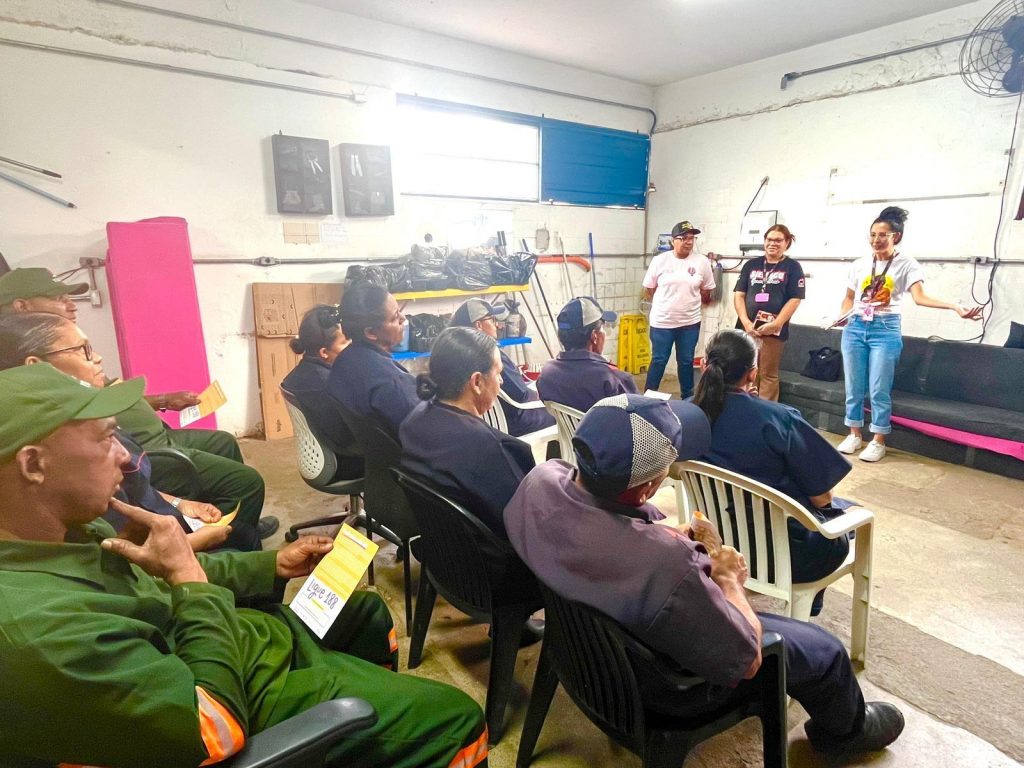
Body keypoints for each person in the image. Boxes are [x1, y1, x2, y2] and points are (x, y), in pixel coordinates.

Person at [0, 363, 490, 768]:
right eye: (106, 439)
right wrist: (191, 580)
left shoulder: (69, 529)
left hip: (230, 641)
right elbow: (208, 728)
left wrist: (270, 564)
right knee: (456, 719)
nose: (128, 459)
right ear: (33, 465)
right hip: (233, 689)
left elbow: (156, 577)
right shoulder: (36, 631)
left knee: (367, 614)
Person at [504, 394, 905, 757]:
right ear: (648, 488)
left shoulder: (541, 481)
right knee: (824, 651)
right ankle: (846, 733)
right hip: (662, 689)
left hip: (579, 652)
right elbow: (747, 660)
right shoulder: (670, 566)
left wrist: (661, 535)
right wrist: (729, 580)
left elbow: (605, 524)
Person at [0, 312, 272, 551]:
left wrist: (180, 504)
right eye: (83, 350)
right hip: (157, 547)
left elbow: (136, 489)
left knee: (243, 534)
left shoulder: (82, 420)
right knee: (245, 535)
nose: (97, 357)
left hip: (159, 519)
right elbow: (119, 556)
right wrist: (184, 553)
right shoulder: (66, 443)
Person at [693, 329, 852, 615]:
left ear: (705, 366)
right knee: (840, 521)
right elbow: (822, 497)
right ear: (752, 374)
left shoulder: (688, 414)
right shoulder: (780, 419)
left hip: (715, 541)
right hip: (784, 554)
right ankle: (809, 604)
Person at [835, 207, 982, 462]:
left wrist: (954, 306)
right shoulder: (859, 264)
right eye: (872, 234)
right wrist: (843, 315)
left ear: (896, 236)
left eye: (882, 235)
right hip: (855, 326)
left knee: (879, 387)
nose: (876, 240)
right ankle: (854, 434)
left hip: (885, 329)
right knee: (854, 386)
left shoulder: (907, 264)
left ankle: (878, 439)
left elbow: (920, 297)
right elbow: (849, 297)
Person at [0, 266, 202, 413]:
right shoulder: (20, 363)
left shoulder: (65, 343)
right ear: (22, 306)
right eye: (59, 299)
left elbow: (107, 392)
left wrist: (164, 401)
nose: (72, 306)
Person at [400, 326, 535, 538]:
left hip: (444, 548)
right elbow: (526, 522)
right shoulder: (488, 448)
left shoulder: (413, 421)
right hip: (494, 556)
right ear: (477, 382)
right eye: (498, 373)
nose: (501, 381)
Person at [449, 298, 555, 437]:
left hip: (486, 422)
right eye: (492, 320)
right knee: (560, 414)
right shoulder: (493, 356)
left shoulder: (459, 356)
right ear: (479, 325)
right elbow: (522, 395)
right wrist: (542, 391)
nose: (498, 325)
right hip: (516, 421)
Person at [281, 304, 362, 479]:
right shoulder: (327, 385)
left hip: (323, 453)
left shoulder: (302, 372)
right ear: (324, 352)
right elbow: (350, 435)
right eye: (345, 343)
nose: (352, 346)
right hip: (341, 462)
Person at [329, 282, 418, 437]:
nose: (403, 319)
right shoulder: (390, 382)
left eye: (400, 312)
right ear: (371, 333)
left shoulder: (343, 360)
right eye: (395, 317)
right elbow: (426, 432)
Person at [642, 221, 717, 396]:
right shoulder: (660, 260)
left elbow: (707, 288)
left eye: (691, 238)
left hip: (689, 323)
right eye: (683, 238)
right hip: (662, 322)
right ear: (673, 241)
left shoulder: (701, 261)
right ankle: (648, 398)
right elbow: (649, 288)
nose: (688, 242)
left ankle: (688, 399)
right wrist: (667, 304)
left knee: (686, 361)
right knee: (659, 360)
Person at [733, 224, 805, 401]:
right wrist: (746, 322)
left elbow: (795, 299)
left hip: (773, 330)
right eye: (769, 239)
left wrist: (777, 324)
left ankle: (766, 410)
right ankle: (744, 407)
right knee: (743, 371)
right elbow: (739, 295)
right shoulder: (751, 265)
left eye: (778, 240)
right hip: (747, 328)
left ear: (787, 243)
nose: (773, 243)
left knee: (767, 374)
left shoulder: (793, 267)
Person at [536, 296, 637, 412]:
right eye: (603, 328)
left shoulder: (547, 373)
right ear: (594, 336)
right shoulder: (613, 378)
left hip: (566, 425)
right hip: (601, 425)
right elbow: (639, 417)